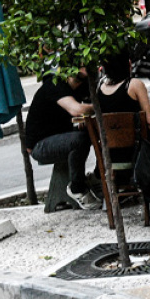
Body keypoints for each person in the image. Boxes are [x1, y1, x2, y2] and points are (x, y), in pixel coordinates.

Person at [97, 51, 150, 219]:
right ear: (127, 65)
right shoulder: (134, 85)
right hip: (138, 153)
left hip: (111, 154)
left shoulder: (99, 87)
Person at [24, 68, 97, 210]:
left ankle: (97, 177)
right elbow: (77, 109)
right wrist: (97, 107)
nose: (85, 66)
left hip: (58, 137)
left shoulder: (83, 86)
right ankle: (77, 188)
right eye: (80, 63)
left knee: (91, 133)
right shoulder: (55, 84)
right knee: (79, 140)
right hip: (39, 146)